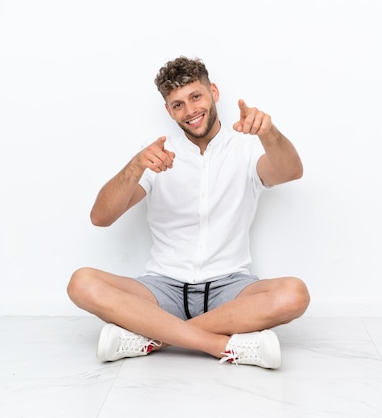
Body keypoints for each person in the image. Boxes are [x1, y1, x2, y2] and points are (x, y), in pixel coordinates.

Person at [67, 55, 310, 369]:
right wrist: (135, 166)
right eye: (178, 104)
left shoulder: (246, 147)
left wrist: (269, 132)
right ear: (168, 111)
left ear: (214, 93)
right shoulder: (156, 154)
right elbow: (101, 217)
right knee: (81, 282)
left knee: (294, 294)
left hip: (230, 288)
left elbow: (290, 171)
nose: (190, 110)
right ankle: (220, 345)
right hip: (161, 289)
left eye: (196, 96)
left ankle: (152, 338)